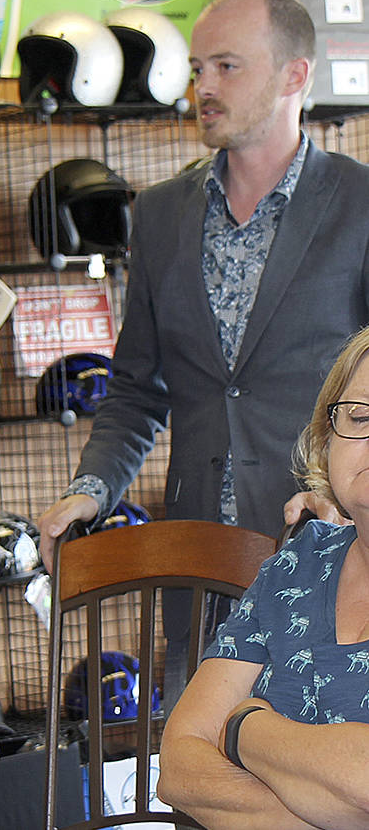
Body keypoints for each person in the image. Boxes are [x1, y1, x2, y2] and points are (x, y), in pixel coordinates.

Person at [35, 0, 369, 697]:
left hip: (330, 550)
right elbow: (136, 386)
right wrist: (90, 489)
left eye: (227, 66)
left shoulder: (360, 205)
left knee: (311, 783)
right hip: (196, 561)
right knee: (195, 770)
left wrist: (345, 490)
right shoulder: (158, 215)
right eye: (196, 69)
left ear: (295, 75)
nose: (203, 87)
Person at [158, 324, 369, 828]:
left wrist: (244, 728)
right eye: (360, 416)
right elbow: (179, 768)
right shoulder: (297, 566)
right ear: (325, 436)